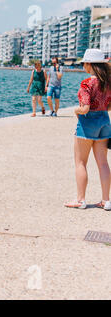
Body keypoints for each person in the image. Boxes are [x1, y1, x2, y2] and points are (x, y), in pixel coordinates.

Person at [64, 49, 111, 211]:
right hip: (104, 122)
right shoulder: (107, 83)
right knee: (103, 163)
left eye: (84, 62)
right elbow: (109, 106)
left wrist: (75, 111)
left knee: (81, 162)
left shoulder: (87, 84)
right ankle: (106, 200)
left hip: (87, 124)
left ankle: (81, 200)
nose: (83, 65)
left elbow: (84, 108)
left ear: (90, 64)